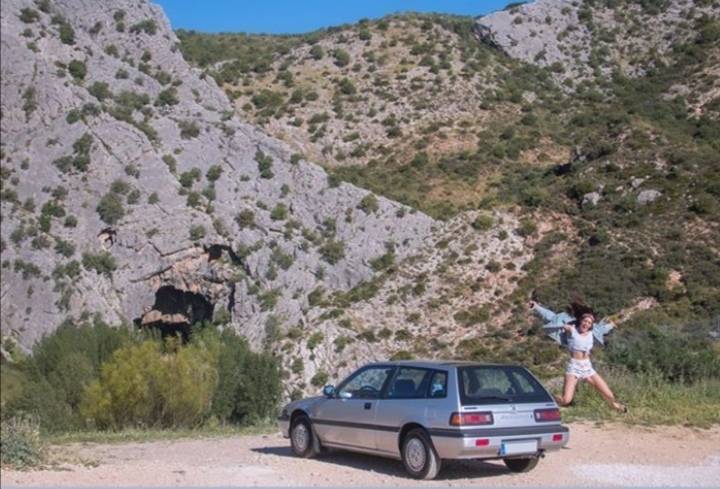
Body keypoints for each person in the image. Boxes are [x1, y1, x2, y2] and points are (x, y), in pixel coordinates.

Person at [530, 300, 627, 413]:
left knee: (609, 394)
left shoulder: (592, 332)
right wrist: (537, 307)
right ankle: (546, 399)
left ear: (591, 325)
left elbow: (604, 328)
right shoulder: (571, 330)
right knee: (566, 400)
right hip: (574, 367)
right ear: (580, 320)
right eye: (585, 321)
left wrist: (612, 324)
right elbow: (553, 318)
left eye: (589, 323)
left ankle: (615, 407)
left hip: (587, 367)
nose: (586, 324)